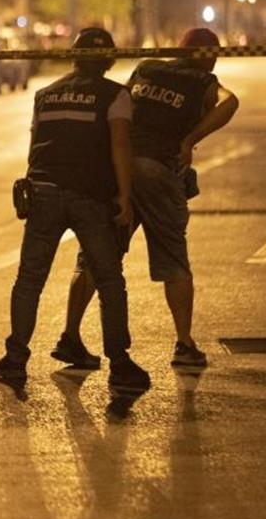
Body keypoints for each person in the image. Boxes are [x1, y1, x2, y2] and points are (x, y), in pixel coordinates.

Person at [59, 27, 240, 368]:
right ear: (210, 56)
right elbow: (231, 102)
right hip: (158, 170)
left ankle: (70, 335)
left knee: (97, 256)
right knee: (173, 257)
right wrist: (189, 139)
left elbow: (119, 108)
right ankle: (184, 344)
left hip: (121, 169)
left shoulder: (147, 68)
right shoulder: (204, 82)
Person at [0, 27, 151, 391]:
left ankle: (15, 357)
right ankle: (120, 363)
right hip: (91, 198)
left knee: (29, 279)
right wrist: (125, 198)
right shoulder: (116, 95)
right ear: (109, 59)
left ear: (74, 56)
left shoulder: (45, 95)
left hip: (43, 192)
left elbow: (35, 147)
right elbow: (120, 147)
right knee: (110, 280)